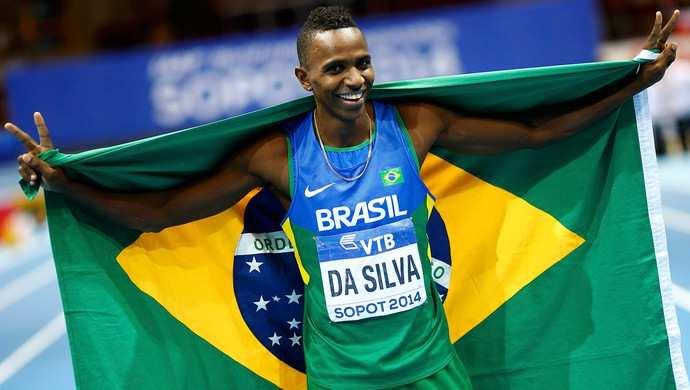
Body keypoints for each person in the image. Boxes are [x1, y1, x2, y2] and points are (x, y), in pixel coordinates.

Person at [4, 6, 680, 389]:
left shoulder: (415, 128)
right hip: (342, 380)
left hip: (432, 371)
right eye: (335, 67)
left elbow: (534, 133)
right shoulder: (276, 158)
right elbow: (159, 213)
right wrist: (68, 181)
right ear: (305, 77)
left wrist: (632, 85)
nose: (355, 77)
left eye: (361, 61)